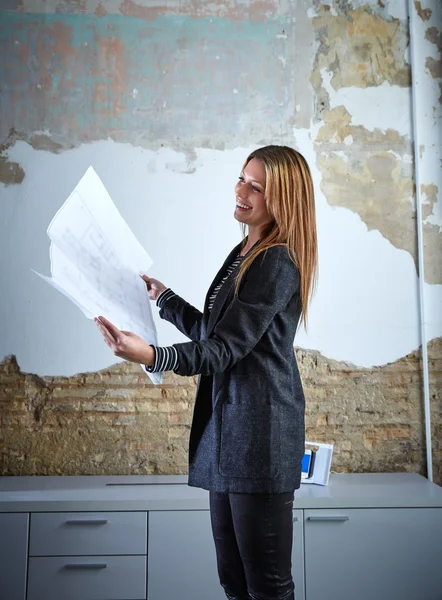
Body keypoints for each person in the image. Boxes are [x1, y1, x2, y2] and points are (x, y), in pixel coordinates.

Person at [95, 145, 318, 600]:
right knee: (234, 581)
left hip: (260, 438)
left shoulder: (276, 259)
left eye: (257, 187)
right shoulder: (246, 250)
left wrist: (153, 355)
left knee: (268, 587)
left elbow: (224, 349)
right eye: (242, 178)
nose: (241, 191)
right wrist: (165, 299)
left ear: (285, 198)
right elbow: (219, 331)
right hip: (229, 432)